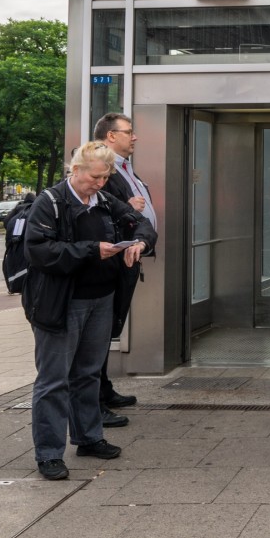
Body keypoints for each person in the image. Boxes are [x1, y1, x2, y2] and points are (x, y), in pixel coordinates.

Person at [23, 141, 156, 481]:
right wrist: (91, 250)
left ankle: (88, 437)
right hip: (62, 303)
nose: (100, 183)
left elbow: (141, 223)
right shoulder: (50, 201)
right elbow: (39, 251)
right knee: (53, 381)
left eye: (105, 176)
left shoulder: (104, 200)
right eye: (95, 177)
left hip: (101, 299)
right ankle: (49, 454)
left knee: (89, 373)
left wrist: (139, 242)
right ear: (76, 170)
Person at [93, 112, 159, 427]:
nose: (134, 137)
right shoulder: (104, 173)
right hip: (112, 261)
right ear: (110, 136)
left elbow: (139, 217)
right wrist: (129, 212)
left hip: (129, 257)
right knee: (100, 332)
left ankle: (102, 389)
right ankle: (93, 401)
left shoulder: (124, 169)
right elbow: (112, 214)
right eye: (128, 132)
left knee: (108, 329)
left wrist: (144, 239)